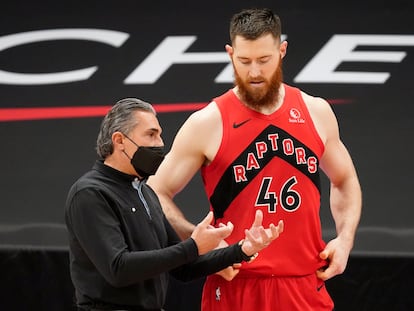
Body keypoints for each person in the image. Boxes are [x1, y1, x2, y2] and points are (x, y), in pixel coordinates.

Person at [147, 7, 362, 311]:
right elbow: (155, 191)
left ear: (282, 50)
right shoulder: (208, 122)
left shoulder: (316, 112)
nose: (255, 72)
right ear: (230, 53)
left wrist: (345, 239)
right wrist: (201, 243)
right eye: (244, 61)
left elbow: (345, 180)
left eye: (264, 60)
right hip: (237, 285)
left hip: (303, 283)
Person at [64, 98, 284, 311]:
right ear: (119, 141)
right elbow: (119, 269)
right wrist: (194, 246)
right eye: (151, 135)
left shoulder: (145, 192)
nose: (160, 144)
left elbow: (183, 268)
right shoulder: (90, 193)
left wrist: (242, 249)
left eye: (160, 135)